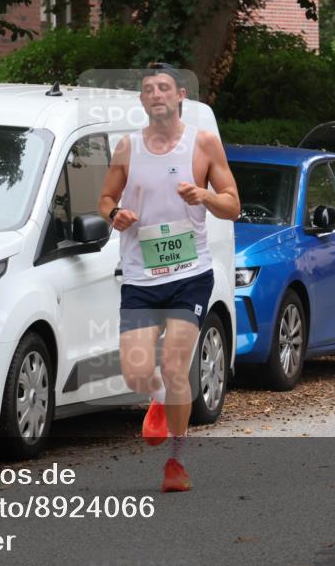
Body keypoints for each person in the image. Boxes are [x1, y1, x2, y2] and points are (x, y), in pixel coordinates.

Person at [98, 63, 240, 492]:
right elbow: (105, 197)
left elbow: (232, 205)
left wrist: (205, 196)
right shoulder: (127, 148)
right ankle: (156, 398)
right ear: (142, 101)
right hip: (141, 275)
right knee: (137, 373)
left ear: (180, 95)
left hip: (189, 273)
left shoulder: (204, 144)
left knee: (177, 365)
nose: (156, 94)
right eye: (148, 89)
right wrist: (114, 215)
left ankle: (176, 462)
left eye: (163, 88)